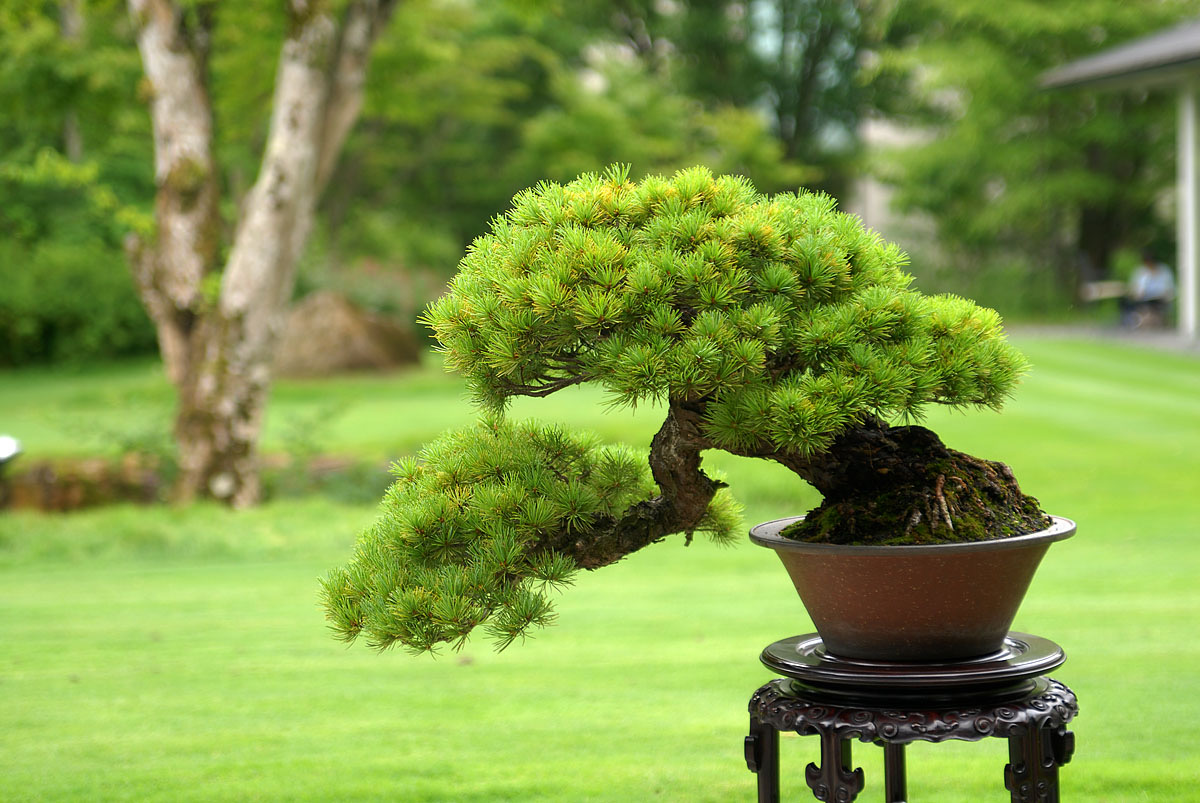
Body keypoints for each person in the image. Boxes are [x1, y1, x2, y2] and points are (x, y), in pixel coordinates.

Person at [1121, 249, 1175, 328]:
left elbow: (1169, 290)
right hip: (1143, 298)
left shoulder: (1164, 271)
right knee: (1126, 302)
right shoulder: (1141, 272)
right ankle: (1133, 320)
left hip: (1159, 299)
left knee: (1153, 303)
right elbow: (1135, 288)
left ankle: (1153, 320)